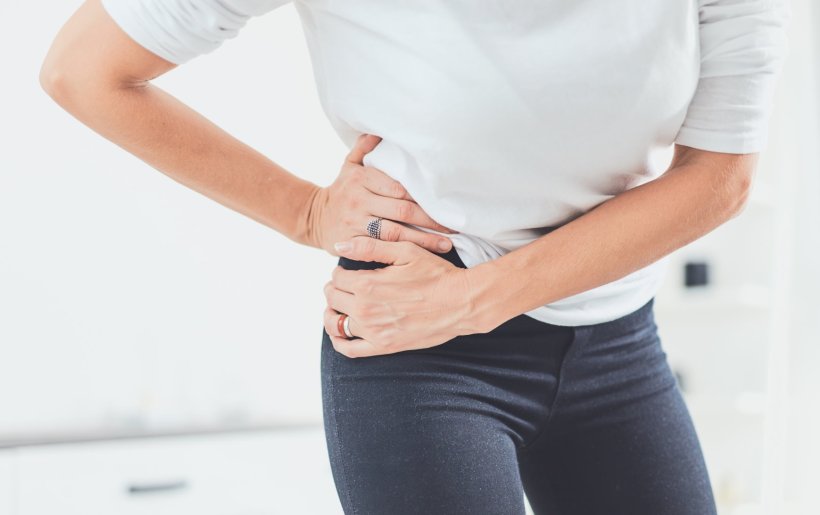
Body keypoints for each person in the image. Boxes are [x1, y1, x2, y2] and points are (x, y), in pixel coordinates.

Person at [40, 0, 789, 513]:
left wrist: (481, 296)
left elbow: (720, 175)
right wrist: (304, 212)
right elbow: (87, 71)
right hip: (421, 350)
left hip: (616, 339)